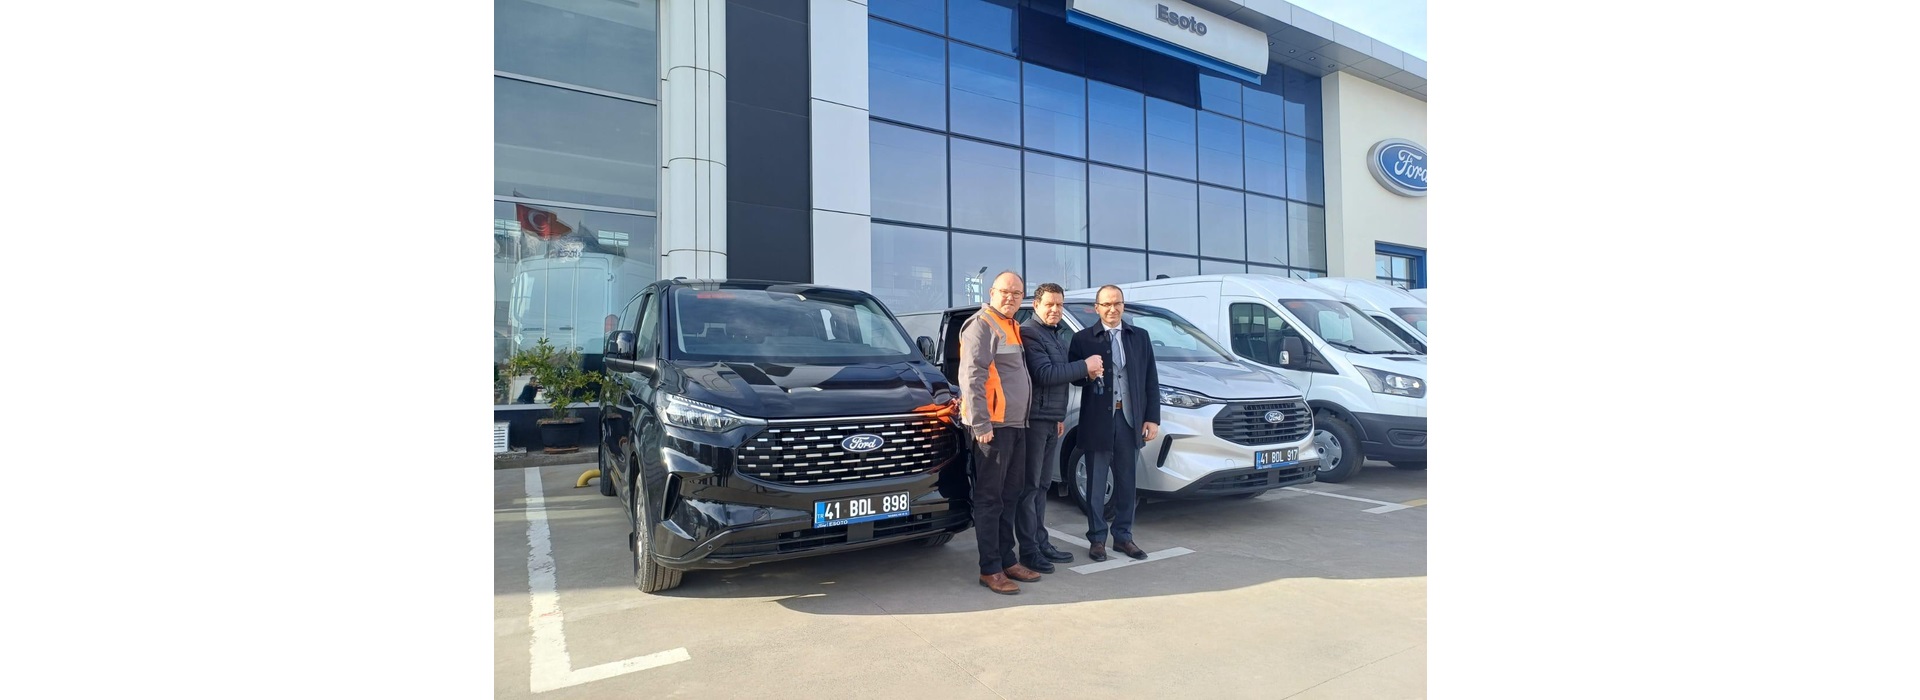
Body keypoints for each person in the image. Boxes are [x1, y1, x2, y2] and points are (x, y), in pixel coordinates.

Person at [958, 271, 1044, 595]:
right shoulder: (981, 325)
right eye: (1005, 291)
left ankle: (1008, 560)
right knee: (990, 499)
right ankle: (990, 568)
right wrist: (981, 424)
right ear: (992, 292)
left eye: (1017, 293)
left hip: (1015, 425)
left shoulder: (1011, 326)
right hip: (992, 428)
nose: (1010, 297)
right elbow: (972, 377)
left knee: (1010, 495)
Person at [1067, 284, 1159, 562]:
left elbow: (1150, 379)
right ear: (1097, 308)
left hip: (1130, 419)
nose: (1112, 309)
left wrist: (1152, 418)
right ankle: (1097, 539)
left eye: (1117, 303)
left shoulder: (1139, 337)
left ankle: (1123, 536)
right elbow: (1074, 377)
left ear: (1123, 305)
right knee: (1096, 482)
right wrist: (1088, 371)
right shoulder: (1083, 339)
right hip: (1098, 420)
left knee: (1127, 481)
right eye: (1106, 304)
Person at [1016, 283, 1102, 573]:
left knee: (1042, 486)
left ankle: (1041, 543)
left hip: (1050, 418)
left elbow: (1063, 377)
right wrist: (1085, 365)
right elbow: (1045, 374)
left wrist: (1086, 378)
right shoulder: (1029, 332)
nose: (1055, 310)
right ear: (1036, 305)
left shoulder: (1053, 334)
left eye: (1059, 305)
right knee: (1030, 487)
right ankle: (1029, 550)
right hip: (1034, 420)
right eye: (1050, 304)